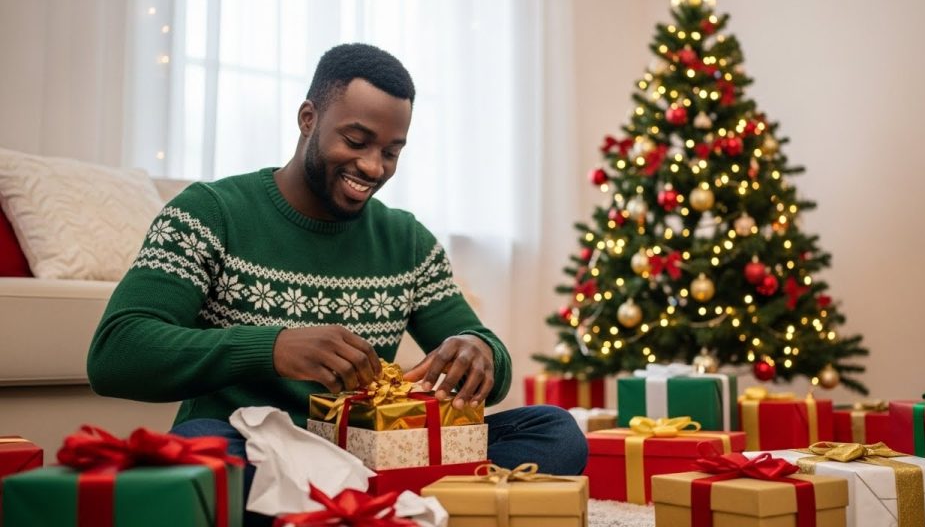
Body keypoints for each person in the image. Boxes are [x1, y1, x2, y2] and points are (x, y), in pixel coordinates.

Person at [87, 43, 587, 522]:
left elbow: (492, 370)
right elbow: (116, 353)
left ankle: (349, 513)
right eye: (356, 141)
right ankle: (397, 512)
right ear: (308, 119)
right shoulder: (208, 213)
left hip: (373, 457)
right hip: (260, 451)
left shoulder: (407, 241)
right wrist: (273, 348)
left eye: (392, 152)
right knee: (200, 455)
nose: (373, 167)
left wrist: (478, 350)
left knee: (554, 431)